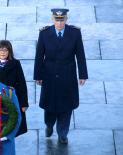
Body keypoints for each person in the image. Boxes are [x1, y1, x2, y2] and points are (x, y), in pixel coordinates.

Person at [34, 8, 88, 144]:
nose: (59, 23)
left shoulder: (75, 33)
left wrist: (82, 74)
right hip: (49, 75)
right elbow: (39, 56)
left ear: (66, 19)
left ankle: (63, 133)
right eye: (57, 20)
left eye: (62, 20)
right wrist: (38, 75)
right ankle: (49, 125)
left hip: (67, 75)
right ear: (52, 19)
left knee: (67, 105)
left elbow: (80, 55)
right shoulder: (44, 33)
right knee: (50, 105)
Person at [0, 40, 29, 137]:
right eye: (0, 50)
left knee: (10, 126)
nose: (3, 52)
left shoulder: (16, 64)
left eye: (5, 50)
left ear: (9, 51)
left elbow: (22, 84)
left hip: (10, 98)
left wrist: (24, 103)